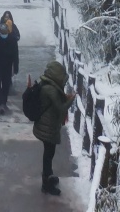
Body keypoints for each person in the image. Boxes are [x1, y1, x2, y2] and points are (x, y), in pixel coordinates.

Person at [33, 58, 74, 195]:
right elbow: (61, 108)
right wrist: (71, 99)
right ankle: (46, 184)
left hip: (47, 125)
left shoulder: (49, 84)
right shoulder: (50, 89)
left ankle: (49, 176)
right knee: (48, 154)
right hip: (47, 127)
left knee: (48, 153)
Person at [0, 19, 19, 113]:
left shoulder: (12, 40)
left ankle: (3, 103)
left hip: (7, 66)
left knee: (6, 86)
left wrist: (16, 67)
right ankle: (0, 103)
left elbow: (15, 55)